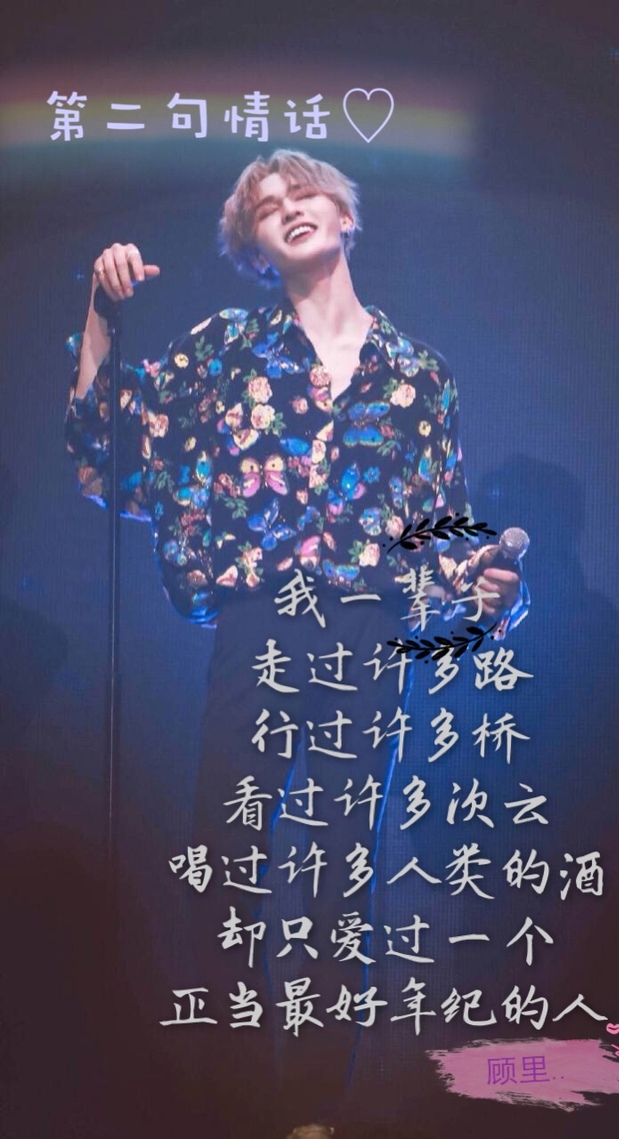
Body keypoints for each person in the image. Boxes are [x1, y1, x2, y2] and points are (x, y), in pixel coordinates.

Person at [65, 149, 525, 1124]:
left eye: (303, 191)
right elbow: (107, 446)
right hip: (260, 622)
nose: (287, 207)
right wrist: (102, 312)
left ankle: (312, 1107)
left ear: (345, 215)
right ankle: (235, 1097)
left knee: (340, 870)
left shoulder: (418, 375)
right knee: (226, 855)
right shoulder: (224, 349)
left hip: (368, 631)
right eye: (265, 206)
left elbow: (440, 538)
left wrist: (490, 591)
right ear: (253, 246)